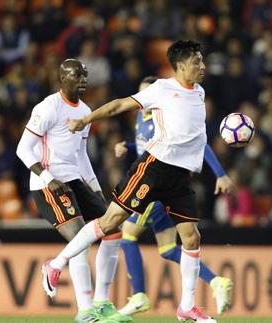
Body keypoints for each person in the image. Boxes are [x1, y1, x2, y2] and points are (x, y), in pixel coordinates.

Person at [42, 40, 219, 322]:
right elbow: (120, 105)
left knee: (191, 237)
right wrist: (86, 119)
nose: (203, 67)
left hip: (180, 177)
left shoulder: (199, 91)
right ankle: (56, 263)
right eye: (197, 62)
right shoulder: (161, 89)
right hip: (154, 168)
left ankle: (187, 307)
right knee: (111, 222)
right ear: (181, 64)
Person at [16, 59, 131, 323]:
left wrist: (94, 185)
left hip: (75, 180)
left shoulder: (87, 111)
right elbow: (23, 148)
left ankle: (102, 303)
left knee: (113, 230)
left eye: (85, 74)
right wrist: (47, 176)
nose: (83, 79)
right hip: (48, 183)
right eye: (77, 74)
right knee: (80, 237)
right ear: (62, 78)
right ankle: (85, 311)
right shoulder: (48, 107)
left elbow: (80, 155)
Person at [115, 76, 234, 316]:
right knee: (168, 248)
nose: (143, 101)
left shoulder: (167, 118)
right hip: (160, 190)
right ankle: (215, 281)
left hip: (156, 190)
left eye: (147, 95)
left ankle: (138, 295)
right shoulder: (142, 116)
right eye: (141, 95)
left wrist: (220, 174)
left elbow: (200, 144)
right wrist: (127, 147)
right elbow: (143, 146)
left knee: (127, 235)